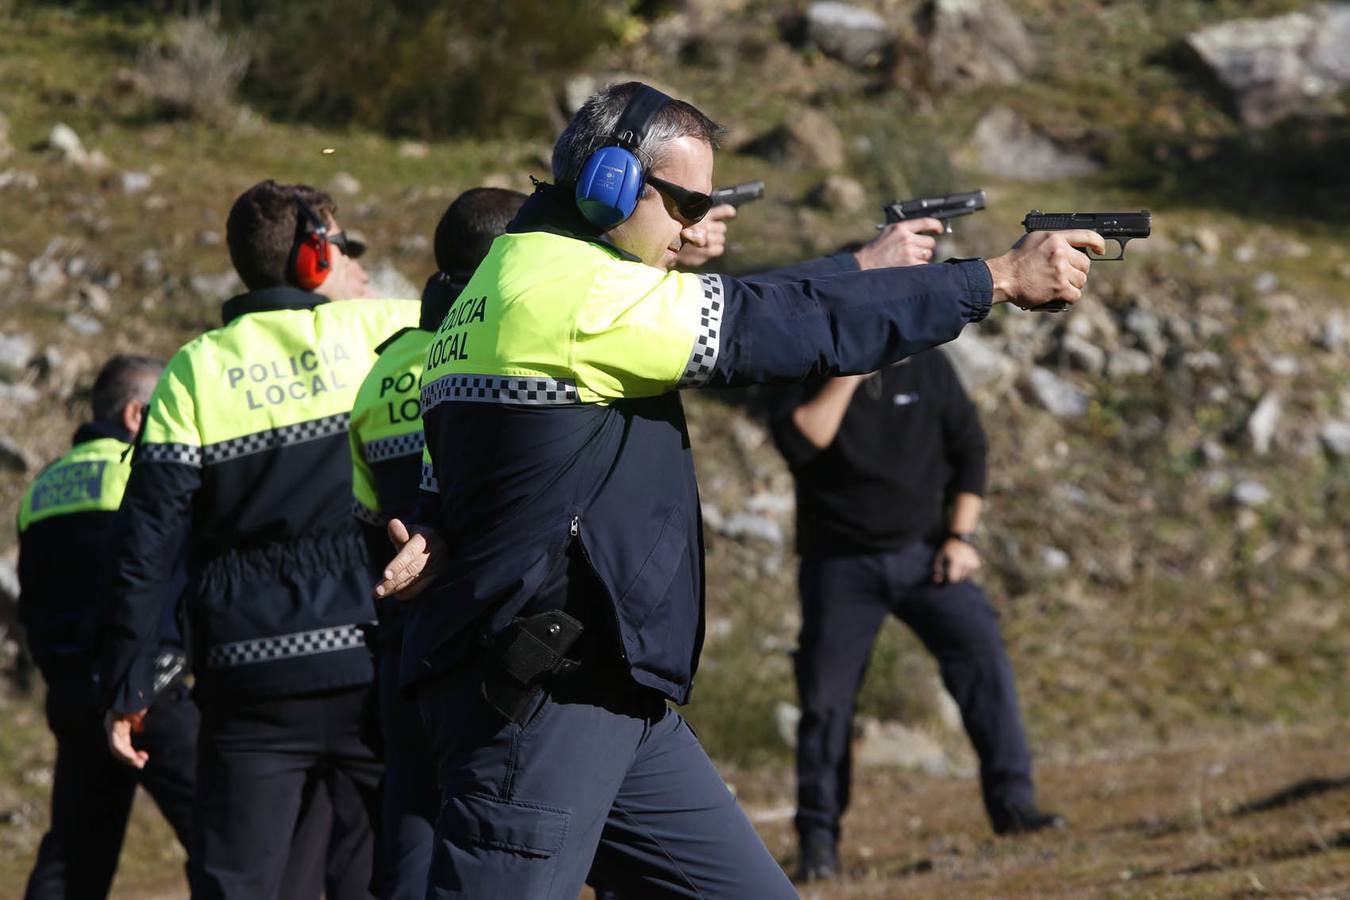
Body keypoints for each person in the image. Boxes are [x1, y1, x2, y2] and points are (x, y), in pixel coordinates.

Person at [377, 81, 1101, 899]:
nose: (696, 226)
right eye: (686, 203)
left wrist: (859, 268)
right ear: (610, 184)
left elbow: (462, 462)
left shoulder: (507, 280)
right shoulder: (578, 294)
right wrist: (994, 280)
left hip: (606, 691)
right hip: (544, 703)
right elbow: (778, 328)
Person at [99, 179, 420, 899]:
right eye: (343, 248)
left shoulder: (193, 370)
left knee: (242, 881)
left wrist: (129, 682)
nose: (354, 266)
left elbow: (147, 546)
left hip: (250, 681)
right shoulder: (381, 333)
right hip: (375, 658)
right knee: (396, 870)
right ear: (314, 258)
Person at [772, 348, 1065, 882]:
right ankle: (818, 845)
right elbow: (802, 440)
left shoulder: (927, 362)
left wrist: (961, 537)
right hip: (838, 565)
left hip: (926, 554)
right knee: (825, 702)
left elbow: (970, 447)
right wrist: (847, 378)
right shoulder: (808, 360)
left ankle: (1014, 806)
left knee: (983, 656)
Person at [349, 186, 528, 900]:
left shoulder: (381, 374)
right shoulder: (503, 348)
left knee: (411, 822)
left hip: (405, 636)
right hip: (493, 631)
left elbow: (366, 510)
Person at [17, 355, 198, 900]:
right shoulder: (145, 472)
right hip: (151, 690)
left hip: (74, 697)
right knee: (228, 838)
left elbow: (33, 603)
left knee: (73, 858)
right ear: (136, 414)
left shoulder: (42, 489)